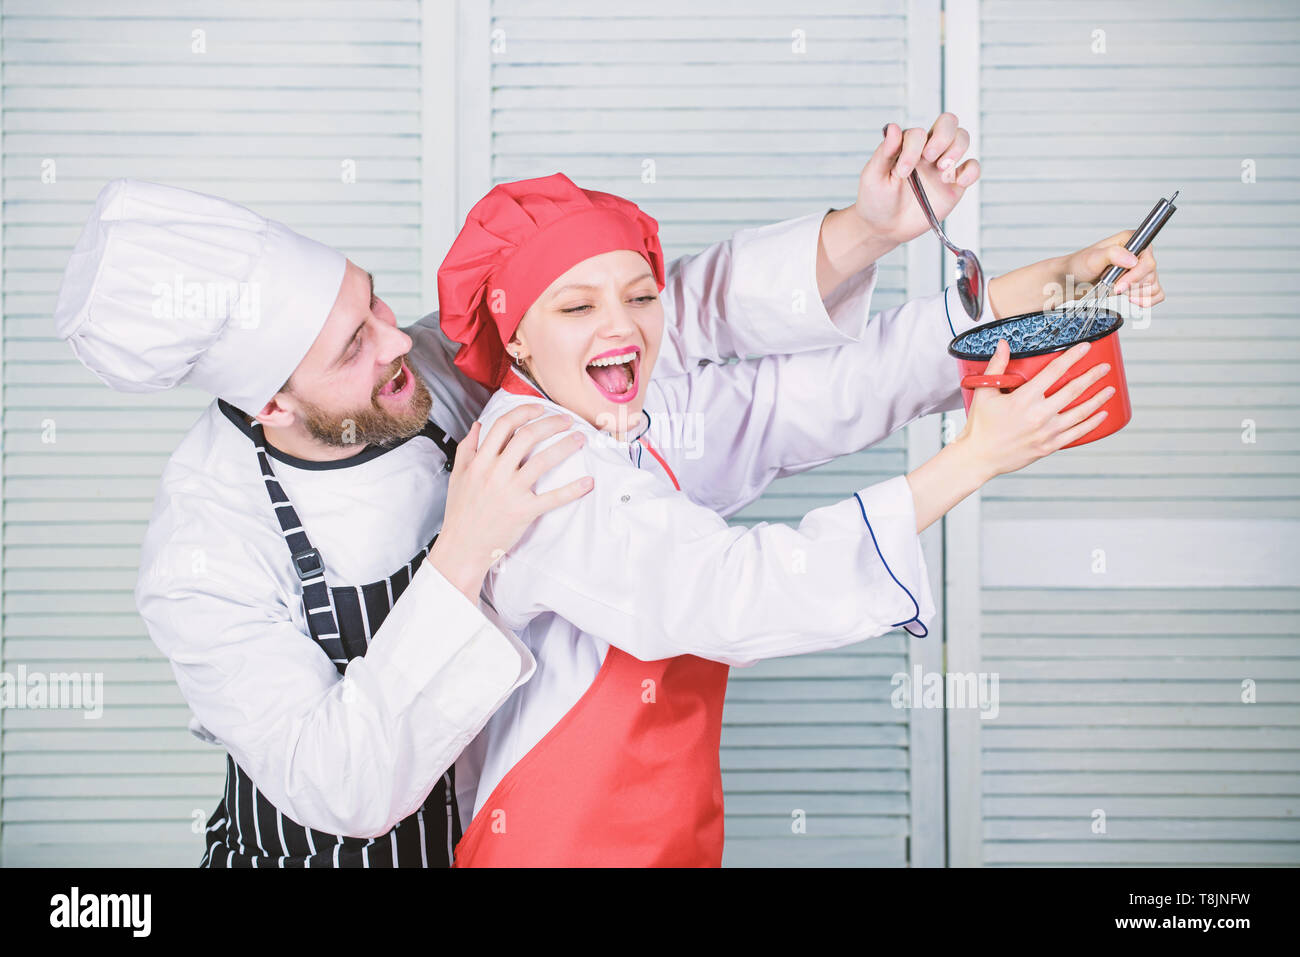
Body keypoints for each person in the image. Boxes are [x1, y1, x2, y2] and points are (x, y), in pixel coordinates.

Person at [50, 136, 967, 867]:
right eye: (350, 348)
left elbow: (633, 307)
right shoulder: (201, 549)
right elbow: (343, 783)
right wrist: (464, 549)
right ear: (273, 405)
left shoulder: (426, 373)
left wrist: (867, 229)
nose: (393, 341)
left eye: (371, 301)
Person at [437, 165, 1163, 866]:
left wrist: (1066, 281)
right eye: (577, 306)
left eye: (641, 296)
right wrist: (972, 457)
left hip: (664, 835)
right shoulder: (532, 464)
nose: (623, 327)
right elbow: (732, 595)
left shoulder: (624, 417)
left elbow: (841, 385)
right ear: (516, 335)